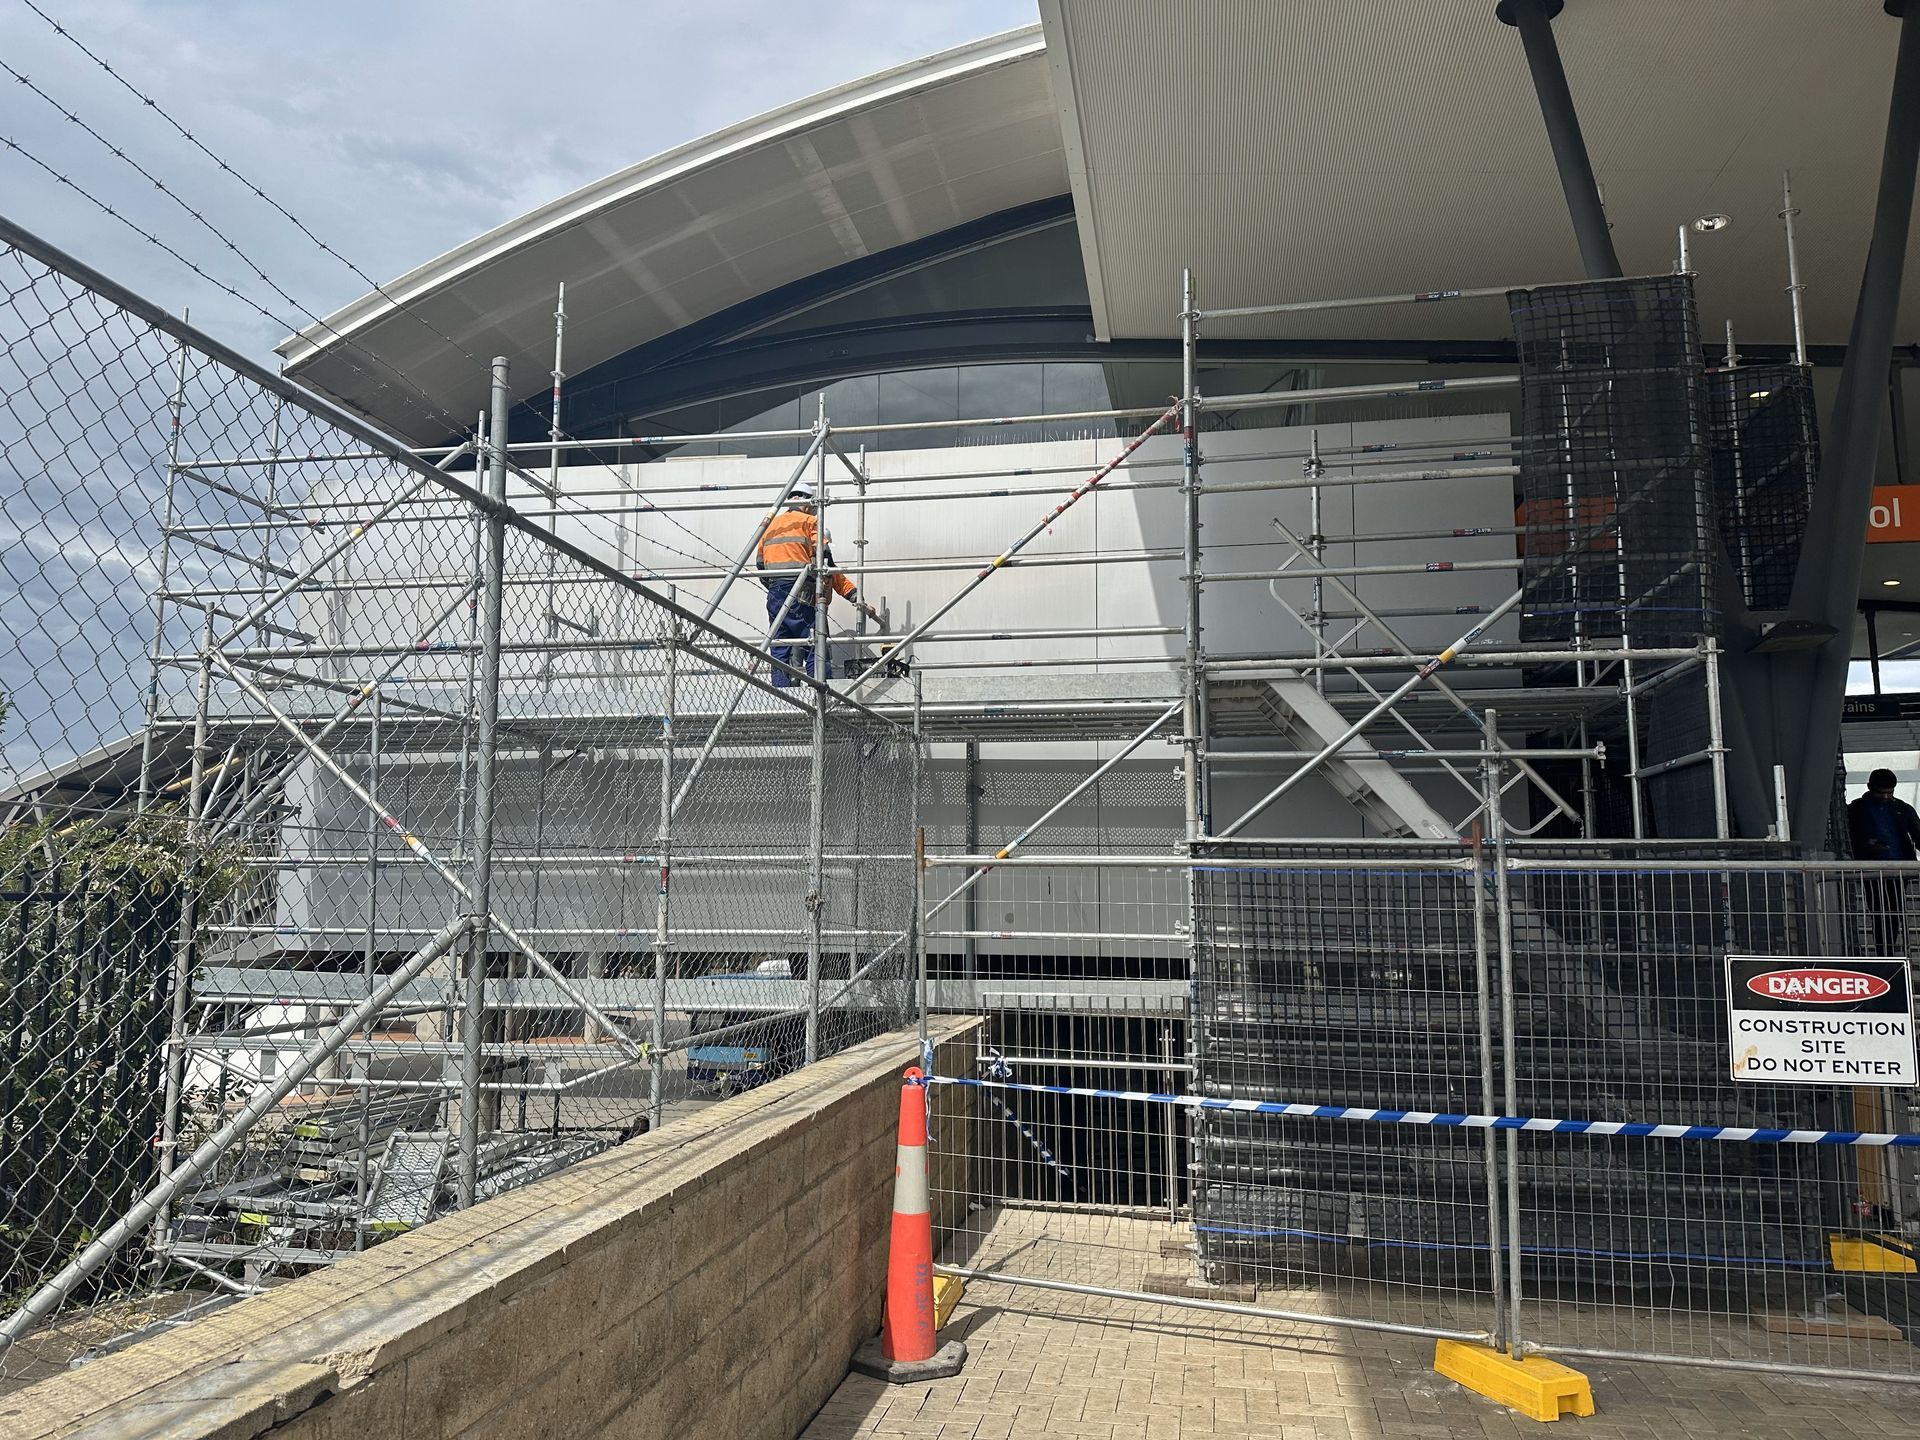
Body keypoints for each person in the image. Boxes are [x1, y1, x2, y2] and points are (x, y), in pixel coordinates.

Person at [754, 479, 879, 685]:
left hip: (776, 592)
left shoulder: (770, 525)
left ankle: (781, 693)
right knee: (815, 644)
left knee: (779, 643)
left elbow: (760, 564)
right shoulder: (810, 522)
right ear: (808, 502)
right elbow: (826, 559)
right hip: (803, 593)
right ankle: (818, 692)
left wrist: (776, 584)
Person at [1848, 768, 1920, 954]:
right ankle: (1885, 951)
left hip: (1891, 869)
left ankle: (1886, 952)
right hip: (1879, 868)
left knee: (1889, 913)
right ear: (1871, 788)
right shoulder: (1858, 810)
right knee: (1883, 913)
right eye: (1882, 792)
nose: (1886, 796)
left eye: (1889, 792)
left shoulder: (1858, 809)